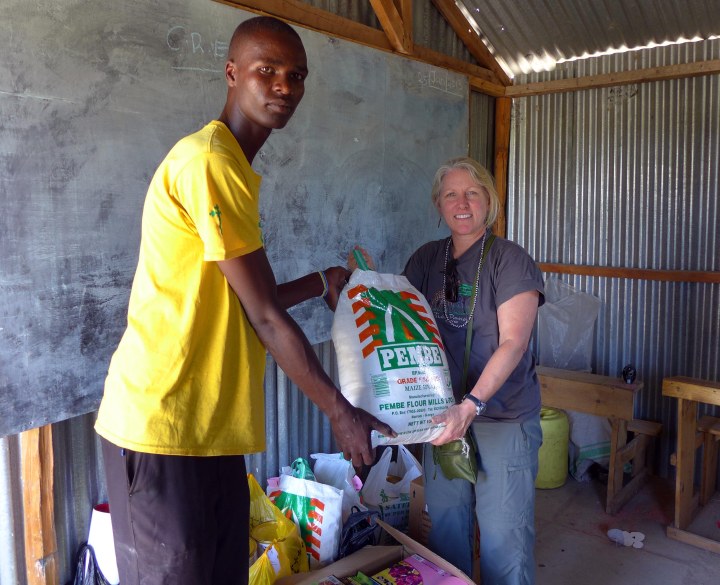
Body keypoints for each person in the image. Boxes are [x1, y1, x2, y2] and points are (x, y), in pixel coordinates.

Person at [94, 16, 395, 585]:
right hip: (163, 427)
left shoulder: (232, 167)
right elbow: (262, 313)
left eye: (296, 76)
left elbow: (244, 300)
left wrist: (319, 283)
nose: (284, 86)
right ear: (232, 74)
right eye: (267, 72)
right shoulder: (209, 162)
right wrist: (339, 411)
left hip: (209, 430)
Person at [352, 157, 544, 584]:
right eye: (451, 194)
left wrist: (472, 404)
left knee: (503, 538)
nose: (462, 203)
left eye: (472, 193)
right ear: (438, 204)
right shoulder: (425, 259)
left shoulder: (510, 260)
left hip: (502, 415)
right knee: (446, 527)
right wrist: (357, 293)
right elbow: (400, 326)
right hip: (440, 416)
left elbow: (514, 342)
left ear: (488, 202)